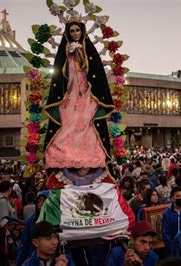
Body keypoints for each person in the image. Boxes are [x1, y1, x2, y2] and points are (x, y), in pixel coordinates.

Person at [43, 13, 115, 173]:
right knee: (68, 125)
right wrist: (68, 56)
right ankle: (66, 159)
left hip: (87, 93)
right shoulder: (65, 52)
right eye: (72, 31)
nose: (75, 33)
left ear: (82, 31)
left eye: (77, 30)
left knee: (86, 125)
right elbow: (60, 75)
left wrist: (82, 55)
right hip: (69, 94)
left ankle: (88, 161)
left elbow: (95, 73)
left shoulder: (90, 51)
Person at [17, 190, 50, 266]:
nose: (41, 204)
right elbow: (25, 243)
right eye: (38, 201)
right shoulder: (32, 220)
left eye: (44, 201)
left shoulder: (57, 220)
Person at [161, 186, 181, 255]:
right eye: (178, 196)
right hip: (172, 248)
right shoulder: (166, 213)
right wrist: (172, 248)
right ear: (172, 198)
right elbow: (165, 233)